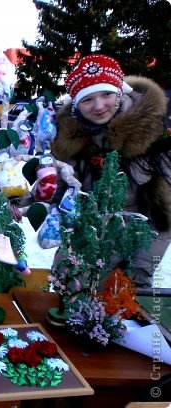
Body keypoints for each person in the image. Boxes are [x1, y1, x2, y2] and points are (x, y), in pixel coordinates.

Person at [51, 54, 171, 287]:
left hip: (131, 256)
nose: (98, 106)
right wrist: (19, 197)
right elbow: (61, 196)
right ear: (76, 105)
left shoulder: (156, 140)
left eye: (106, 94)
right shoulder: (69, 140)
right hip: (79, 254)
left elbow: (164, 215)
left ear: (120, 92)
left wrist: (139, 272)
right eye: (87, 99)